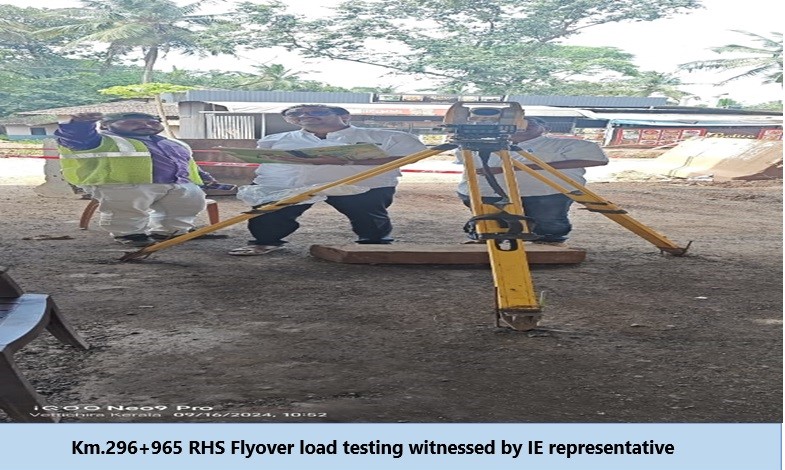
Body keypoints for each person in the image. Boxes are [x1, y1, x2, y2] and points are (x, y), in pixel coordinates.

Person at [229, 104, 428, 255]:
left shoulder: (386, 136)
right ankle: (266, 242)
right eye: (296, 114)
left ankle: (374, 246)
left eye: (317, 112)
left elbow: (411, 156)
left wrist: (348, 162)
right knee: (269, 214)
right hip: (289, 184)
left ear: (344, 116)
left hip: (361, 183)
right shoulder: (274, 139)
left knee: (369, 217)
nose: (305, 116)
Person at [56, 112, 223, 247]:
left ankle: (173, 231)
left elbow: (187, 163)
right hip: (122, 184)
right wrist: (79, 125)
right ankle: (129, 234)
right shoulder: (100, 140)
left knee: (187, 204)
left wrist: (203, 177)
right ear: (105, 125)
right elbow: (76, 138)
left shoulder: (173, 143)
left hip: (177, 183)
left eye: (152, 122)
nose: (145, 125)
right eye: (133, 122)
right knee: (127, 208)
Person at [456, 117, 608, 245]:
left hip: (546, 193)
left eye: (531, 123)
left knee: (548, 225)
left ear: (545, 128)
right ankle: (487, 245)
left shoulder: (567, 144)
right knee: (489, 223)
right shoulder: (476, 145)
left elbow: (597, 160)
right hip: (484, 193)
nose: (523, 126)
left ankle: (549, 248)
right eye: (517, 123)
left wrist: (511, 168)